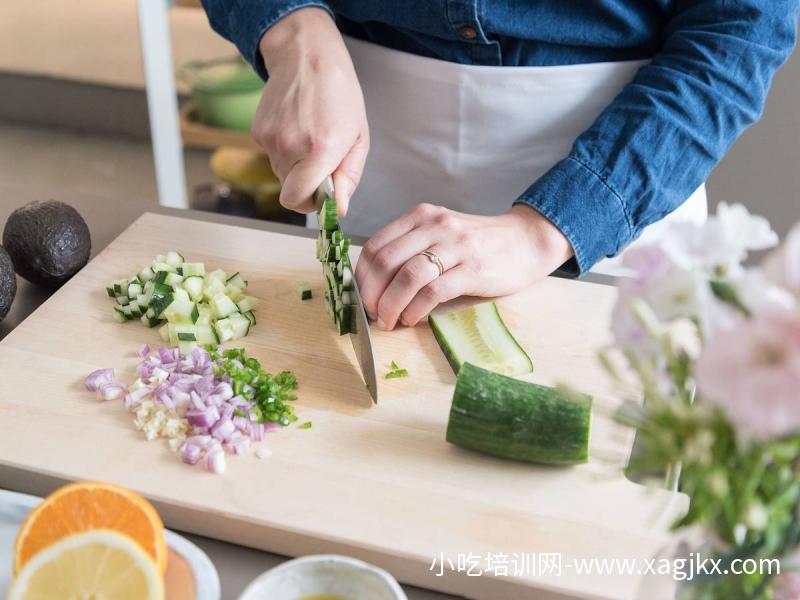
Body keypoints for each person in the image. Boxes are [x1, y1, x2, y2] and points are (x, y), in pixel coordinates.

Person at [200, 2, 799, 331]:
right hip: (369, 143)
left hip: (631, 163)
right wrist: (290, 28)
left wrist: (553, 224)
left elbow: (742, 26)